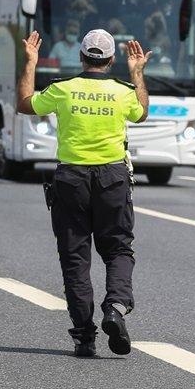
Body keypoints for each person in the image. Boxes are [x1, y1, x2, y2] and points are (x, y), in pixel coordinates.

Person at [16, 28, 150, 357]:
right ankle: (115, 307)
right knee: (118, 249)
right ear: (111, 60)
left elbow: (24, 104)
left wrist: (31, 62)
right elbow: (142, 112)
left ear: (81, 57)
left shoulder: (63, 89)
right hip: (113, 178)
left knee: (75, 259)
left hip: (71, 179)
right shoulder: (122, 92)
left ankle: (84, 337)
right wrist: (137, 74)